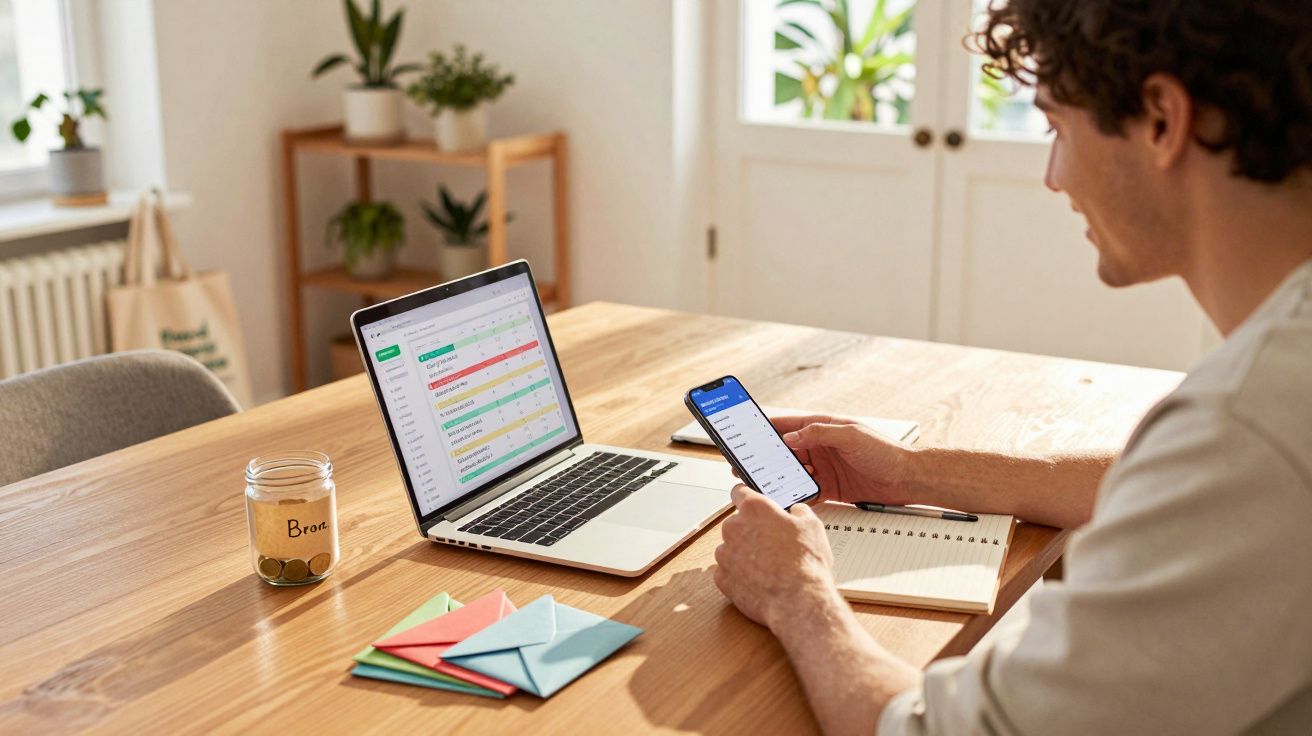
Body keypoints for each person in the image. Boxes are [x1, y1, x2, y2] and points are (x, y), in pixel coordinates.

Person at [711, 1, 1312, 734]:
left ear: (1161, 119)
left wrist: (797, 595)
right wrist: (911, 472)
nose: (1054, 177)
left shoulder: (1250, 425)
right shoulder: (1269, 395)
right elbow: (1171, 485)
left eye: (1057, 128)